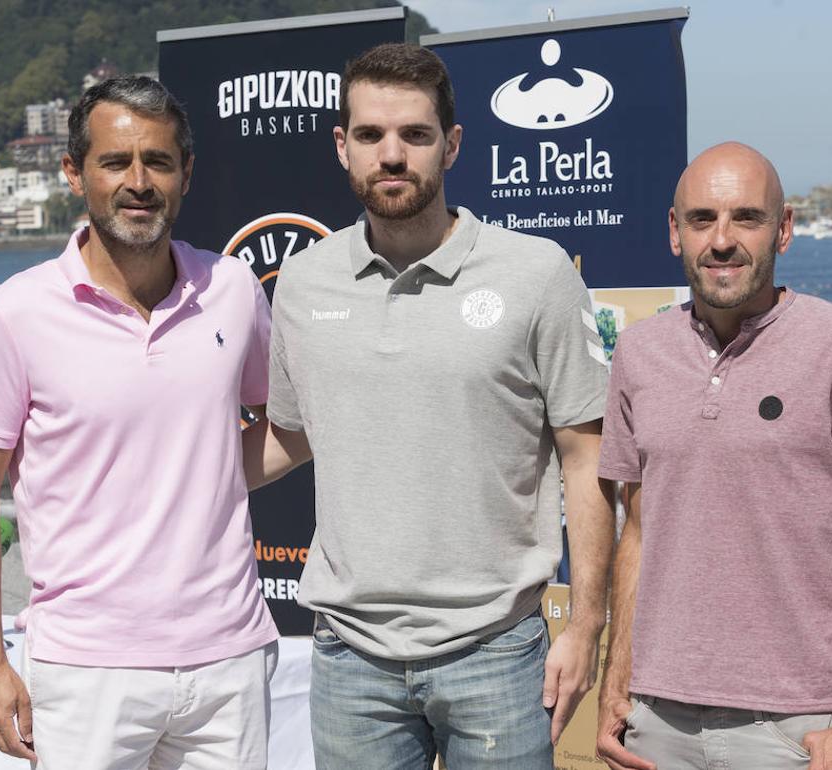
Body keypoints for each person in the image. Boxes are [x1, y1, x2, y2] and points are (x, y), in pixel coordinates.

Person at [252, 43, 614, 768]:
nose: (392, 155)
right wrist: (153, 473)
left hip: (498, 650)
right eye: (370, 135)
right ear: (342, 147)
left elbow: (588, 458)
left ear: (451, 145)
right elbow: (290, 434)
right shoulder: (303, 281)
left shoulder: (536, 272)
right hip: (349, 657)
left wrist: (585, 627)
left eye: (415, 135)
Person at [0, 76, 287, 769]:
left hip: (229, 659)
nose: (139, 182)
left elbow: (279, 424)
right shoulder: (14, 315)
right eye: (115, 162)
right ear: (75, 173)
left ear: (186, 173)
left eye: (158, 161)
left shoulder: (233, 290)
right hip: (86, 668)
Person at [594, 142, 832, 770]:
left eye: (746, 218)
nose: (722, 240)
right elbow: (638, 530)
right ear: (674, 232)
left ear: (784, 229)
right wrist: (617, 681)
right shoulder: (638, 352)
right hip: (655, 721)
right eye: (702, 220)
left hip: (792, 727)